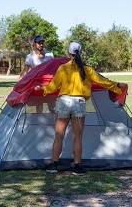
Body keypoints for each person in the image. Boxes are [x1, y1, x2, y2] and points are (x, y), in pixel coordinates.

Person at [34, 41, 126, 176]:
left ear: (68, 53)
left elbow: (53, 87)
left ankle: (54, 165)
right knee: (77, 137)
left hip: (64, 102)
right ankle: (77, 167)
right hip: (79, 102)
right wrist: (118, 85)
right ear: (81, 53)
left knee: (59, 135)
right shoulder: (88, 70)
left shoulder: (63, 68)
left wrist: (42, 88)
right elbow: (102, 81)